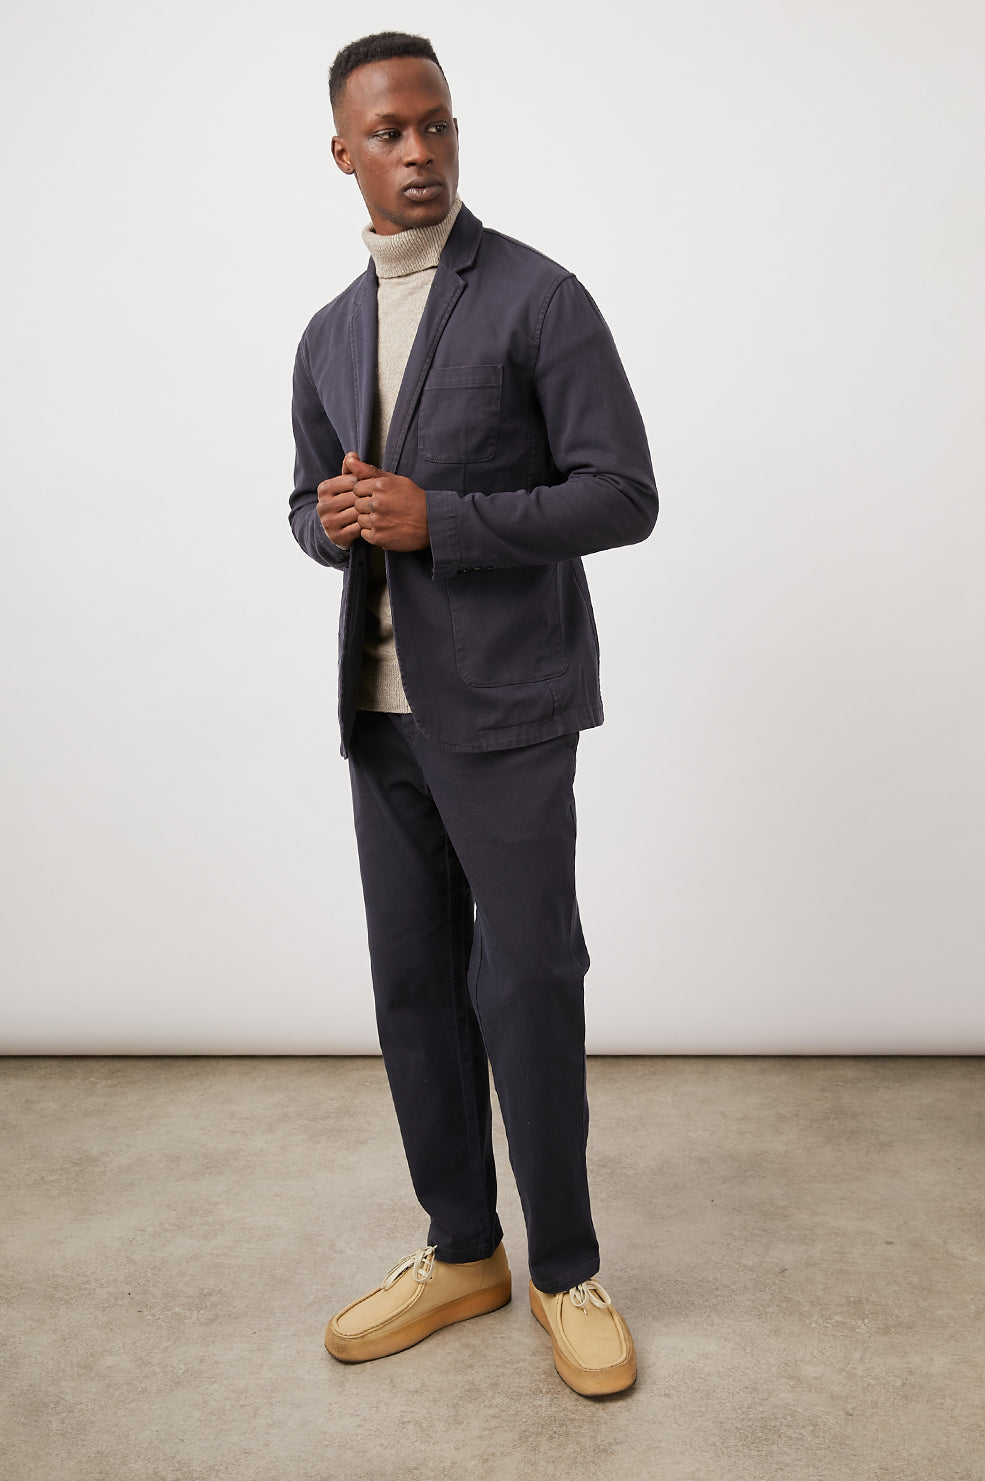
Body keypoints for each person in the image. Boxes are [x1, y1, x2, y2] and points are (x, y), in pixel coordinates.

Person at [288, 30, 657, 1397]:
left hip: (506, 709)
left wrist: (438, 518)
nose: (420, 151)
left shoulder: (537, 298)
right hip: (380, 714)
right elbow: (305, 503)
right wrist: (334, 522)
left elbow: (621, 493)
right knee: (411, 986)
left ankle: (565, 1268)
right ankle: (463, 1251)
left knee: (528, 978)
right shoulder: (329, 333)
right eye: (389, 132)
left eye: (436, 124)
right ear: (343, 153)